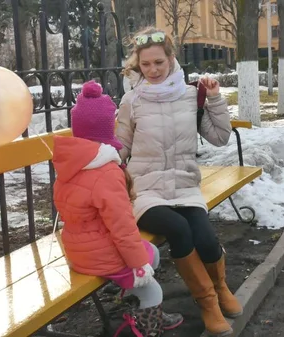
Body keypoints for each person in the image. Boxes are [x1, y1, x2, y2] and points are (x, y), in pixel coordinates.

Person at [116, 27, 240, 337]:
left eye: (159, 62)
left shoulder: (191, 94)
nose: (153, 70)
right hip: (146, 190)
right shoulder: (132, 100)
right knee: (178, 229)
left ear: (171, 59)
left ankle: (221, 287)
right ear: (137, 66)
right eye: (145, 65)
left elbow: (221, 137)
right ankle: (208, 304)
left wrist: (214, 99)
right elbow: (120, 149)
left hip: (185, 186)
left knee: (207, 240)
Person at [52, 80, 183, 337]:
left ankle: (132, 295)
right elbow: (122, 227)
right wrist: (138, 266)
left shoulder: (70, 164)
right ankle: (149, 328)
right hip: (105, 255)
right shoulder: (106, 172)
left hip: (79, 250)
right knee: (153, 288)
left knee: (153, 252)